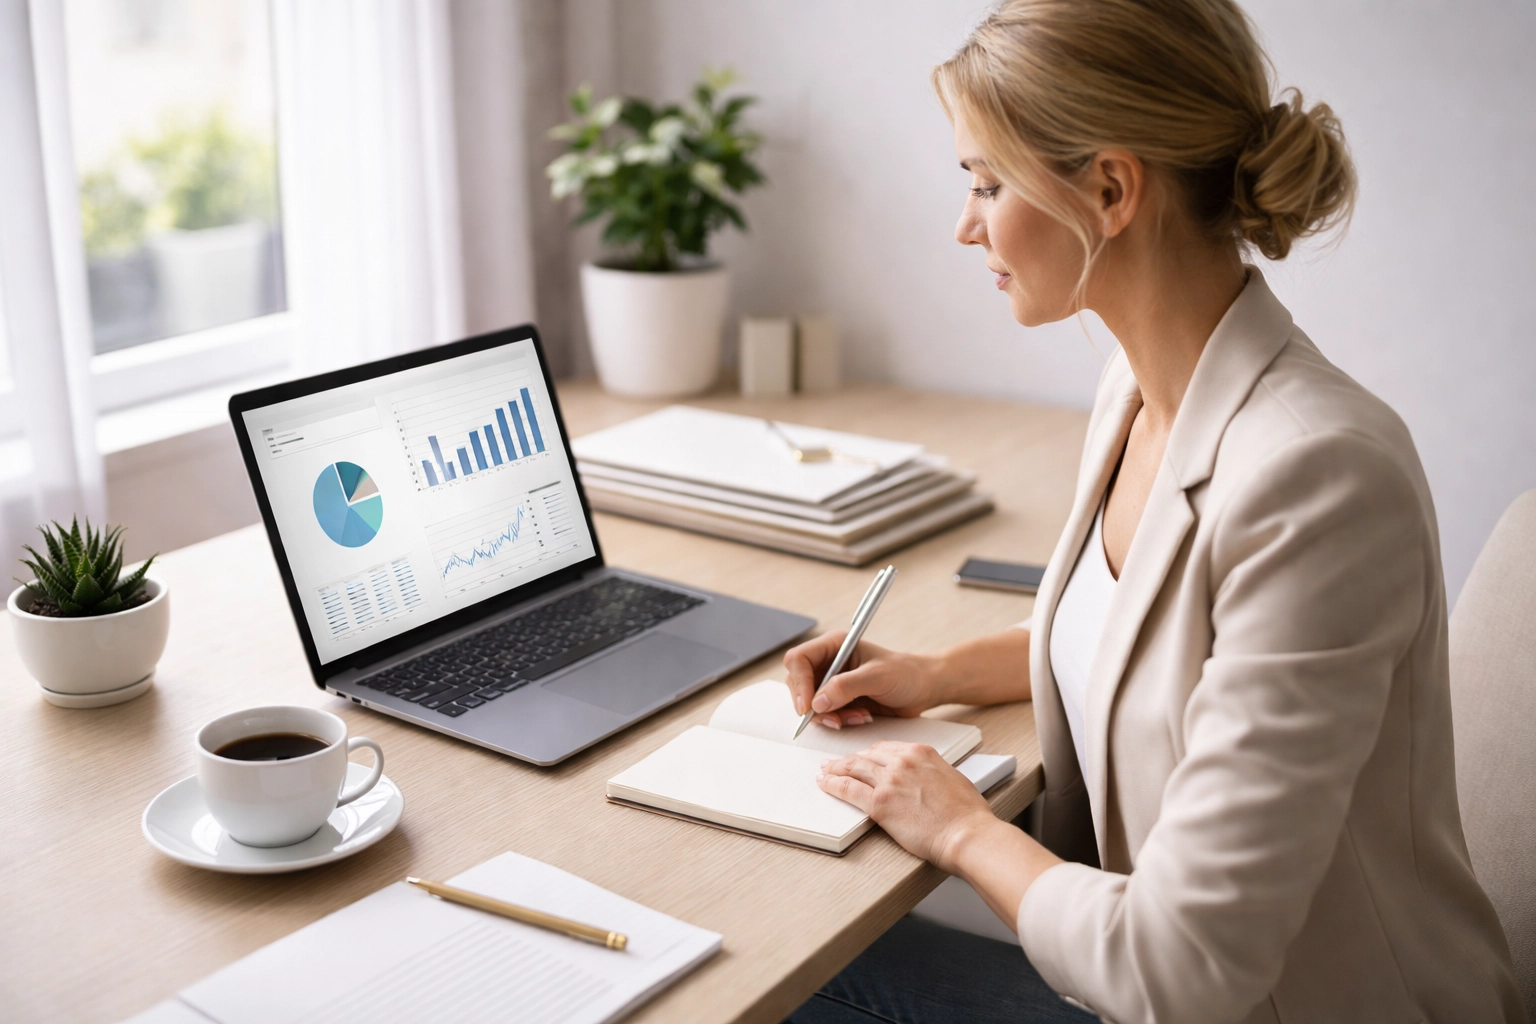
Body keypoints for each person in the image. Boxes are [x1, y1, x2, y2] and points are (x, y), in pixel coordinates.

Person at [784, 1, 1524, 1022]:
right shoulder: (1136, 391)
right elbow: (1149, 642)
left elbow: (1182, 967)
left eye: (988, 184)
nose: (966, 224)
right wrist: (936, 673)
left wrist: (957, 827)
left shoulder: (1321, 478)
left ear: (1110, 189)